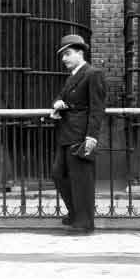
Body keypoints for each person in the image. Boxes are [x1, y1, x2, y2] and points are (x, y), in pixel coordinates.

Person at [50, 34, 106, 234]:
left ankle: (84, 223)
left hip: (81, 135)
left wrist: (92, 137)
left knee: (81, 179)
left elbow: (97, 109)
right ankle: (75, 213)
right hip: (66, 134)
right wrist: (57, 103)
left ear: (80, 52)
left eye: (68, 54)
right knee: (59, 174)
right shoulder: (72, 76)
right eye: (63, 55)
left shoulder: (93, 74)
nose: (64, 59)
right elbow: (63, 96)